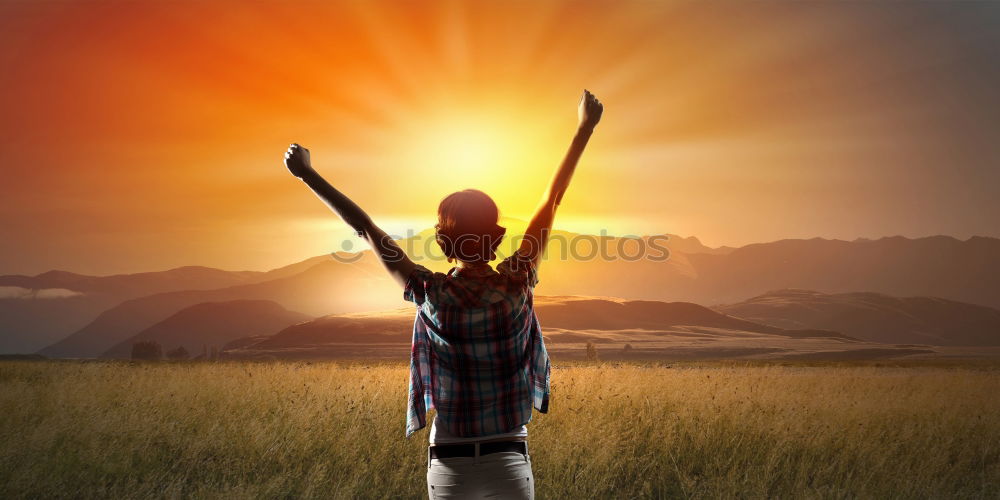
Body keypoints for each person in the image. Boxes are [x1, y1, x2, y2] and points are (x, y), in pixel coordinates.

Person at [283, 90, 603, 499]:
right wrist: (583, 130)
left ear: (443, 241)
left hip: (448, 459)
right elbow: (552, 198)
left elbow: (364, 227)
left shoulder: (430, 293)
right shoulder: (517, 282)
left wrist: (307, 174)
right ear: (495, 237)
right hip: (509, 457)